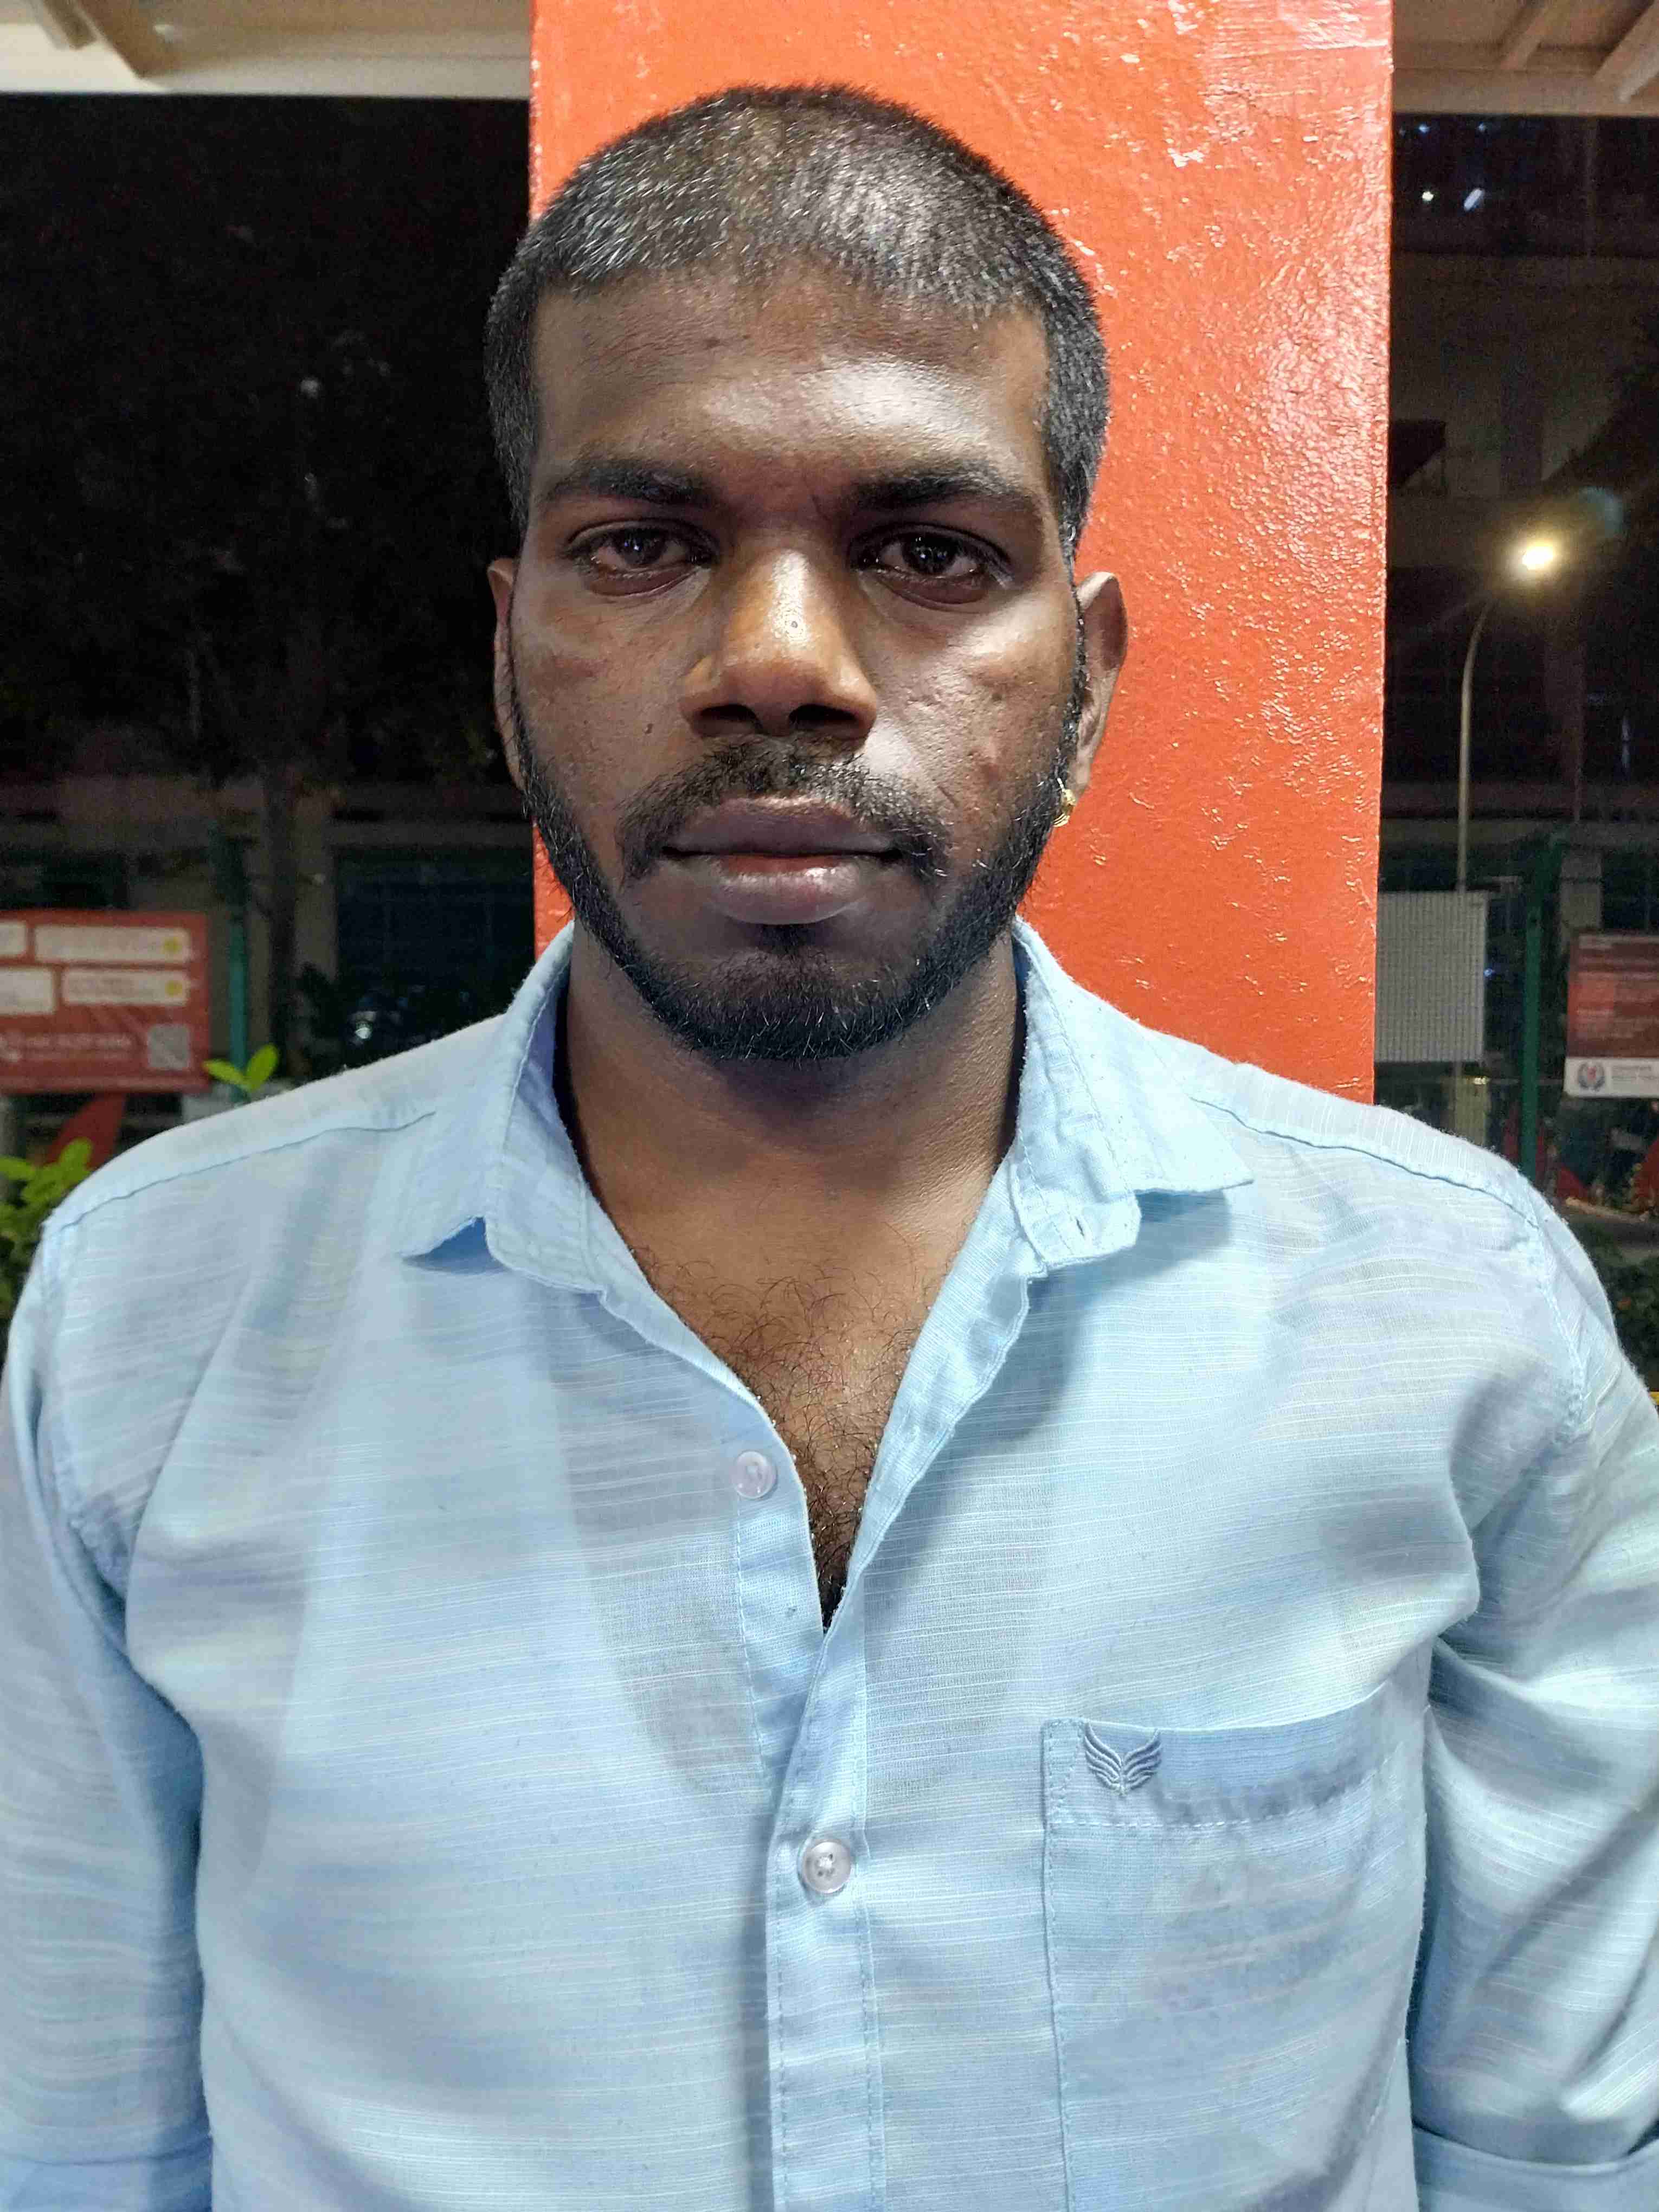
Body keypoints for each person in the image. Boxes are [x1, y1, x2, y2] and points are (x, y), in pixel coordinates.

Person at [2, 85, 1656, 2212]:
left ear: (1087, 679)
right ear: (509, 655)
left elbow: (1555, 2161)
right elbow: (78, 2143)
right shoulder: (157, 1319)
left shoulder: (1452, 1322)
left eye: (927, 551)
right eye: (644, 544)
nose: (776, 663)